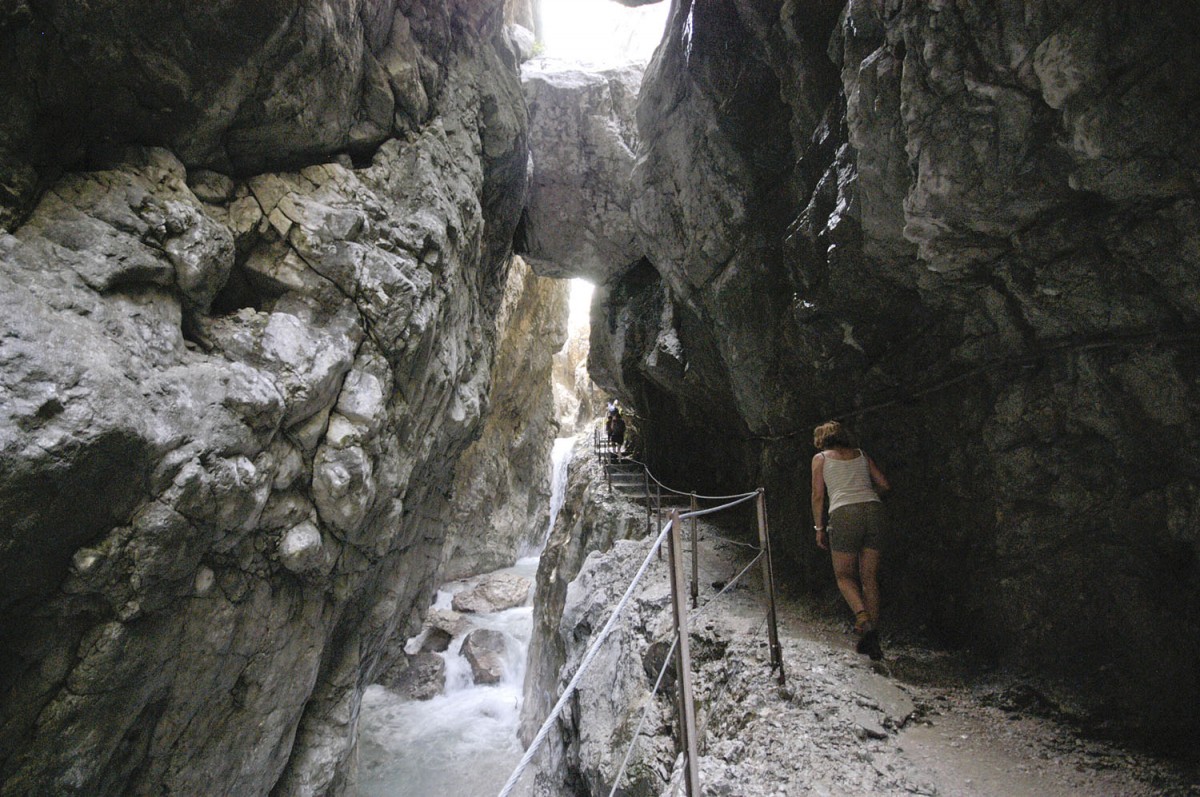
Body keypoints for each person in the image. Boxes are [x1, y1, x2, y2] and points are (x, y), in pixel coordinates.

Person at [810, 420, 891, 659]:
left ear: (821, 440)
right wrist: (867, 497)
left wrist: (819, 527)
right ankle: (872, 637)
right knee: (869, 578)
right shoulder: (861, 455)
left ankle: (864, 621)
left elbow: (817, 495)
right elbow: (885, 485)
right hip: (874, 510)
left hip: (845, 513)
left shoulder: (821, 459)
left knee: (844, 576)